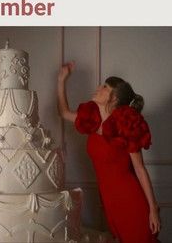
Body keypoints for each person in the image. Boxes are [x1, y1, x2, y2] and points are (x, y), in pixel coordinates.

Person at [57, 61, 161, 243]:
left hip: (130, 199)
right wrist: (61, 79)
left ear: (113, 98)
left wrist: (153, 210)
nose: (98, 88)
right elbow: (64, 113)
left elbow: (140, 170)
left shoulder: (126, 126)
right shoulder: (91, 121)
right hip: (108, 199)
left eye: (105, 87)